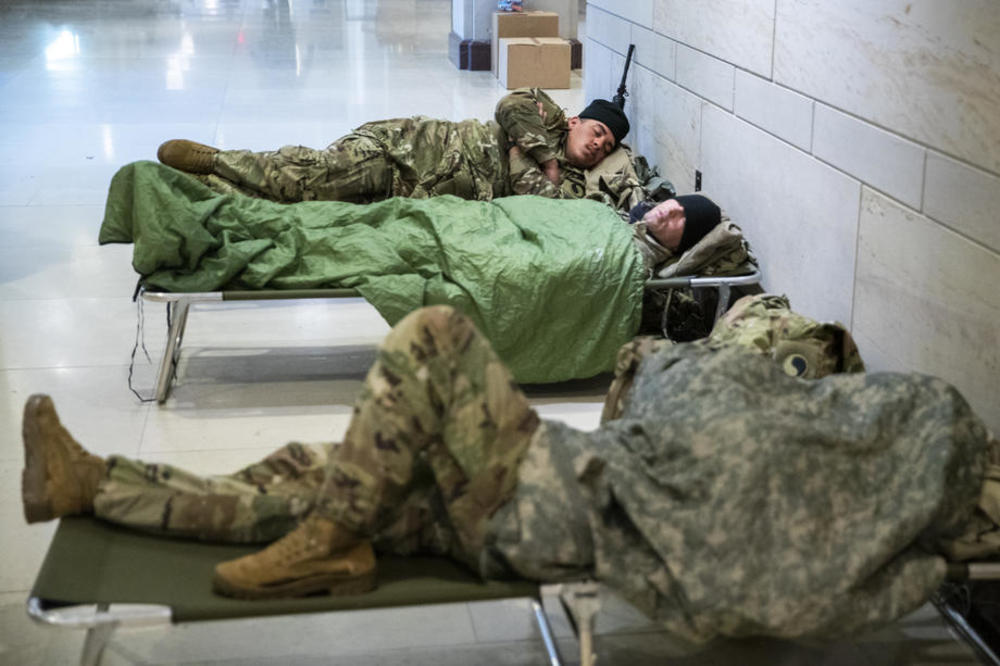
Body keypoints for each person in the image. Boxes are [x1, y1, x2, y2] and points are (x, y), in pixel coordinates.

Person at [21, 296, 993, 643]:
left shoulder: (770, 439)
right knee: (310, 466)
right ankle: (94, 481)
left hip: (537, 496)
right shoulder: (813, 474)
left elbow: (757, 580)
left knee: (436, 337)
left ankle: (333, 540)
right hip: (543, 494)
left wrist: (709, 362)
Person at [155, 88, 644, 212]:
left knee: (306, 209)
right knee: (313, 174)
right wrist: (549, 161)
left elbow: (534, 197)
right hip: (405, 150)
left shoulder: (578, 189)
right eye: (597, 130)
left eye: (607, 145)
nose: (599, 144)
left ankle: (212, 186)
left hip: (412, 194)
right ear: (577, 120)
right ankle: (218, 159)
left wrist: (526, 158)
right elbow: (510, 104)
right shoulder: (548, 113)